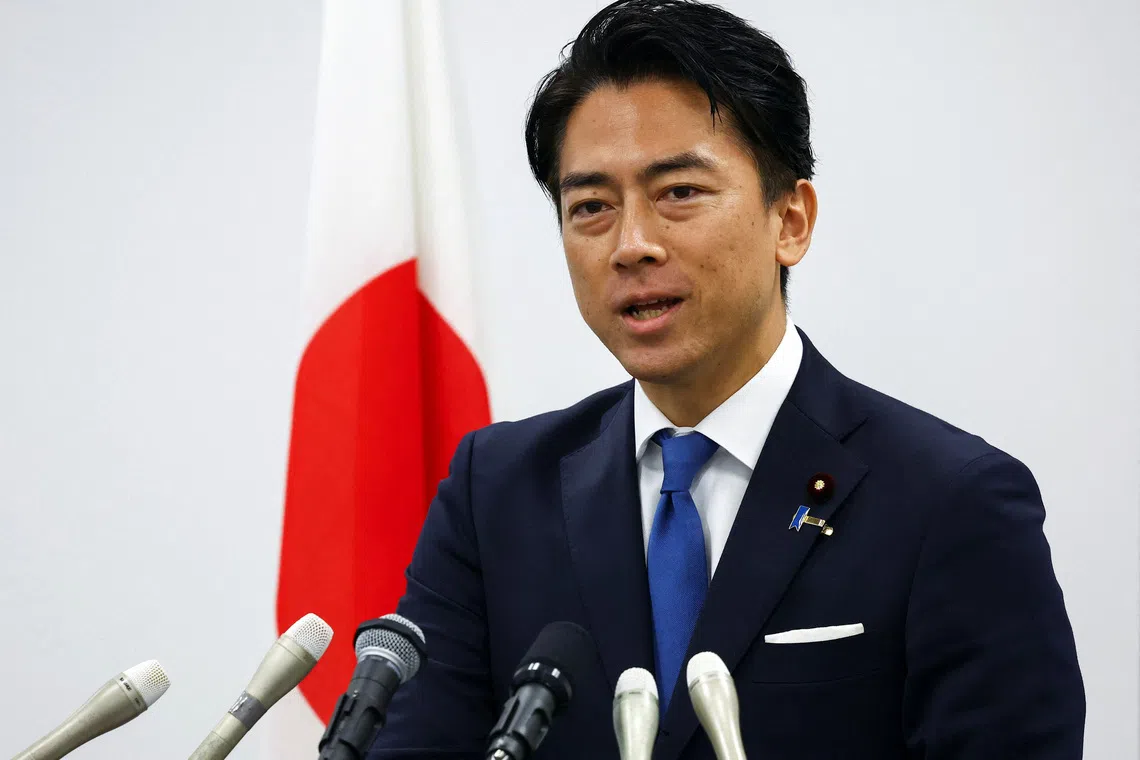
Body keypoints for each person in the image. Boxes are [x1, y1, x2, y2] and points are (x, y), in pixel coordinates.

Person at [367, 1, 1085, 757]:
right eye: (591, 207)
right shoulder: (496, 493)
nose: (631, 244)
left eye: (678, 193)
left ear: (791, 220)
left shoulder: (952, 503)